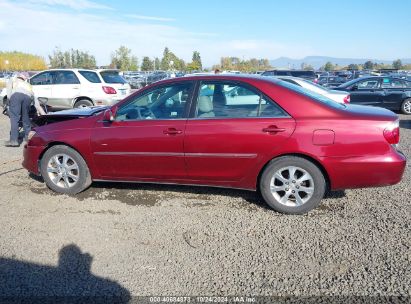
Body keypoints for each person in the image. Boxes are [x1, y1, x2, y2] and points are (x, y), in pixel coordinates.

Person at [4, 72, 37, 147]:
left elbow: (9, 92)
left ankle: (14, 141)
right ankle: (28, 138)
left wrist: (9, 102)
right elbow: (33, 97)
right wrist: (40, 111)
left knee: (15, 118)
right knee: (26, 117)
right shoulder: (28, 85)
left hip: (16, 96)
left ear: (19, 76)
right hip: (28, 98)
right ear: (24, 78)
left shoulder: (13, 79)